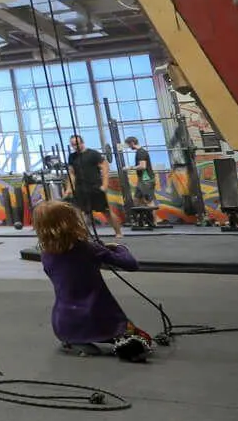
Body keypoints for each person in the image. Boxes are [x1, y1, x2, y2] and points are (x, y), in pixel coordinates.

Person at [35, 200, 151, 362]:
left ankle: (72, 340)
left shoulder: (46, 254)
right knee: (142, 339)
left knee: (97, 347)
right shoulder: (89, 249)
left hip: (63, 322)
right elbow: (131, 265)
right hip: (98, 316)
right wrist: (119, 248)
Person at [66, 134, 121, 238]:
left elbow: (105, 167)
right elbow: (72, 173)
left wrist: (105, 185)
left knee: (106, 212)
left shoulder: (93, 154)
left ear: (82, 142)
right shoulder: (72, 157)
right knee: (80, 213)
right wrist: (69, 188)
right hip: (80, 188)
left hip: (95, 187)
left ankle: (118, 232)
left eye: (77, 144)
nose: (75, 146)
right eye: (73, 145)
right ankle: (83, 235)